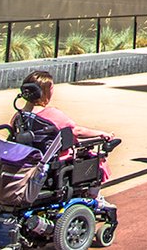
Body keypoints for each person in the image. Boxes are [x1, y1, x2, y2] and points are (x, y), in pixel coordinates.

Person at [15, 70, 114, 200]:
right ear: (45, 92)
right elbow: (76, 131)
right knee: (97, 159)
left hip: (29, 162)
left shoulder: (18, 117)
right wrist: (102, 134)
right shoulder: (51, 114)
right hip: (54, 164)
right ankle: (94, 196)